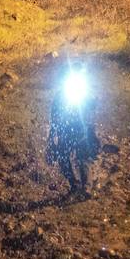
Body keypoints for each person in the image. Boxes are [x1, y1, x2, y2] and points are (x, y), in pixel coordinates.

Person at [47, 65, 99, 197]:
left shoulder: (83, 92)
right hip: (66, 130)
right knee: (63, 158)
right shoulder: (59, 97)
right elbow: (54, 119)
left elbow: (92, 105)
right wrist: (52, 138)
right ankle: (74, 185)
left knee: (83, 157)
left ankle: (86, 187)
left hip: (81, 129)